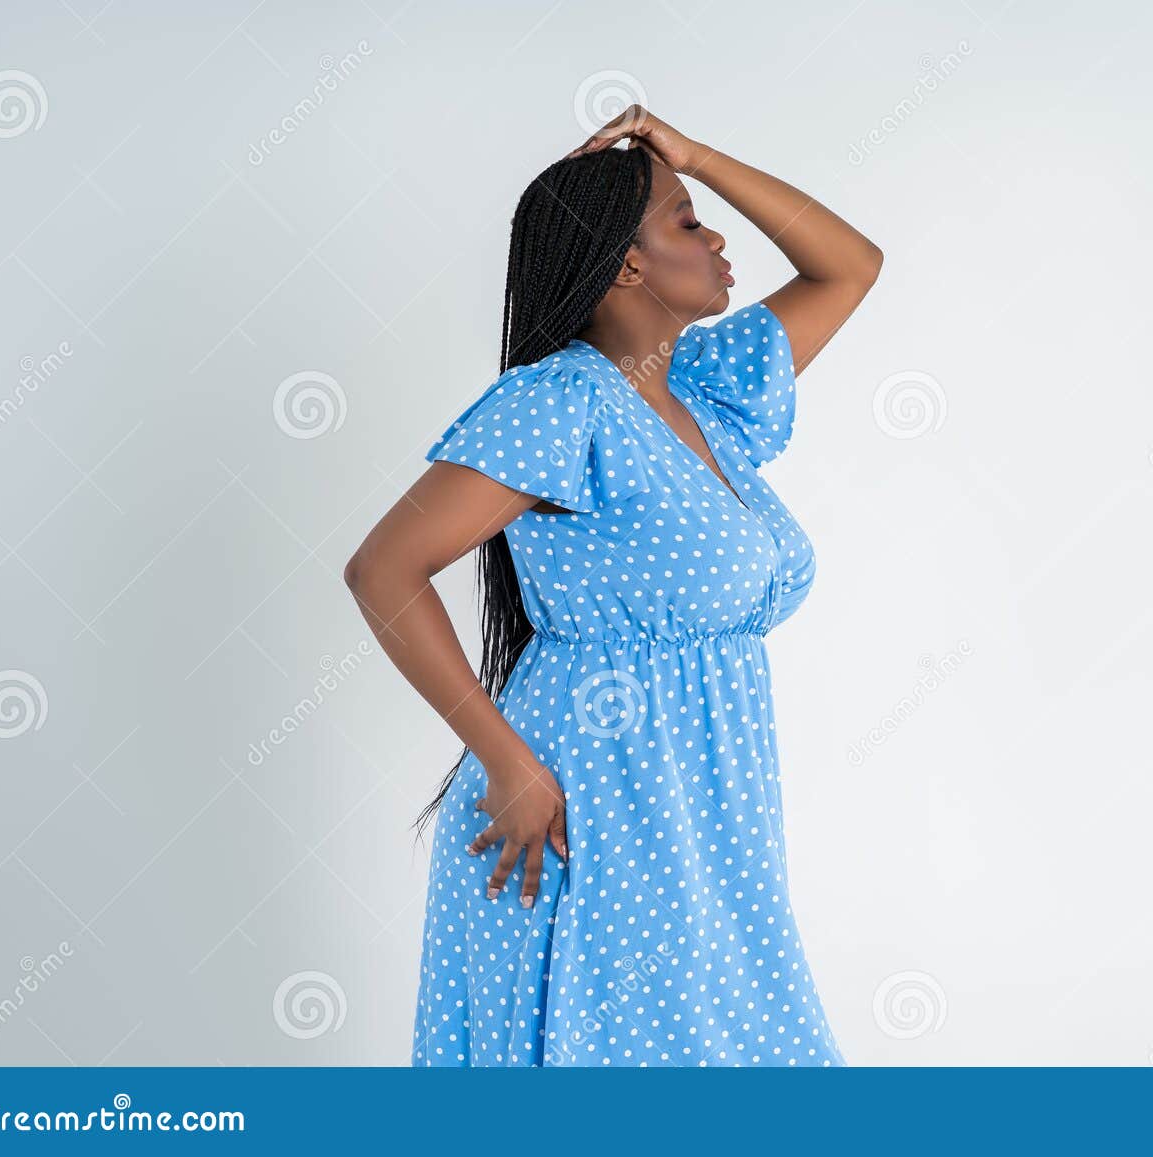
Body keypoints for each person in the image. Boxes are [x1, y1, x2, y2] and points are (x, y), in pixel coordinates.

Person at [344, 106, 882, 1066]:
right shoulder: (561, 399)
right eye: (686, 219)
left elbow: (850, 265)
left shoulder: (707, 391)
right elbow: (384, 569)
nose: (718, 236)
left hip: (709, 814)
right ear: (626, 265)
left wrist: (696, 157)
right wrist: (507, 764)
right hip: (587, 804)